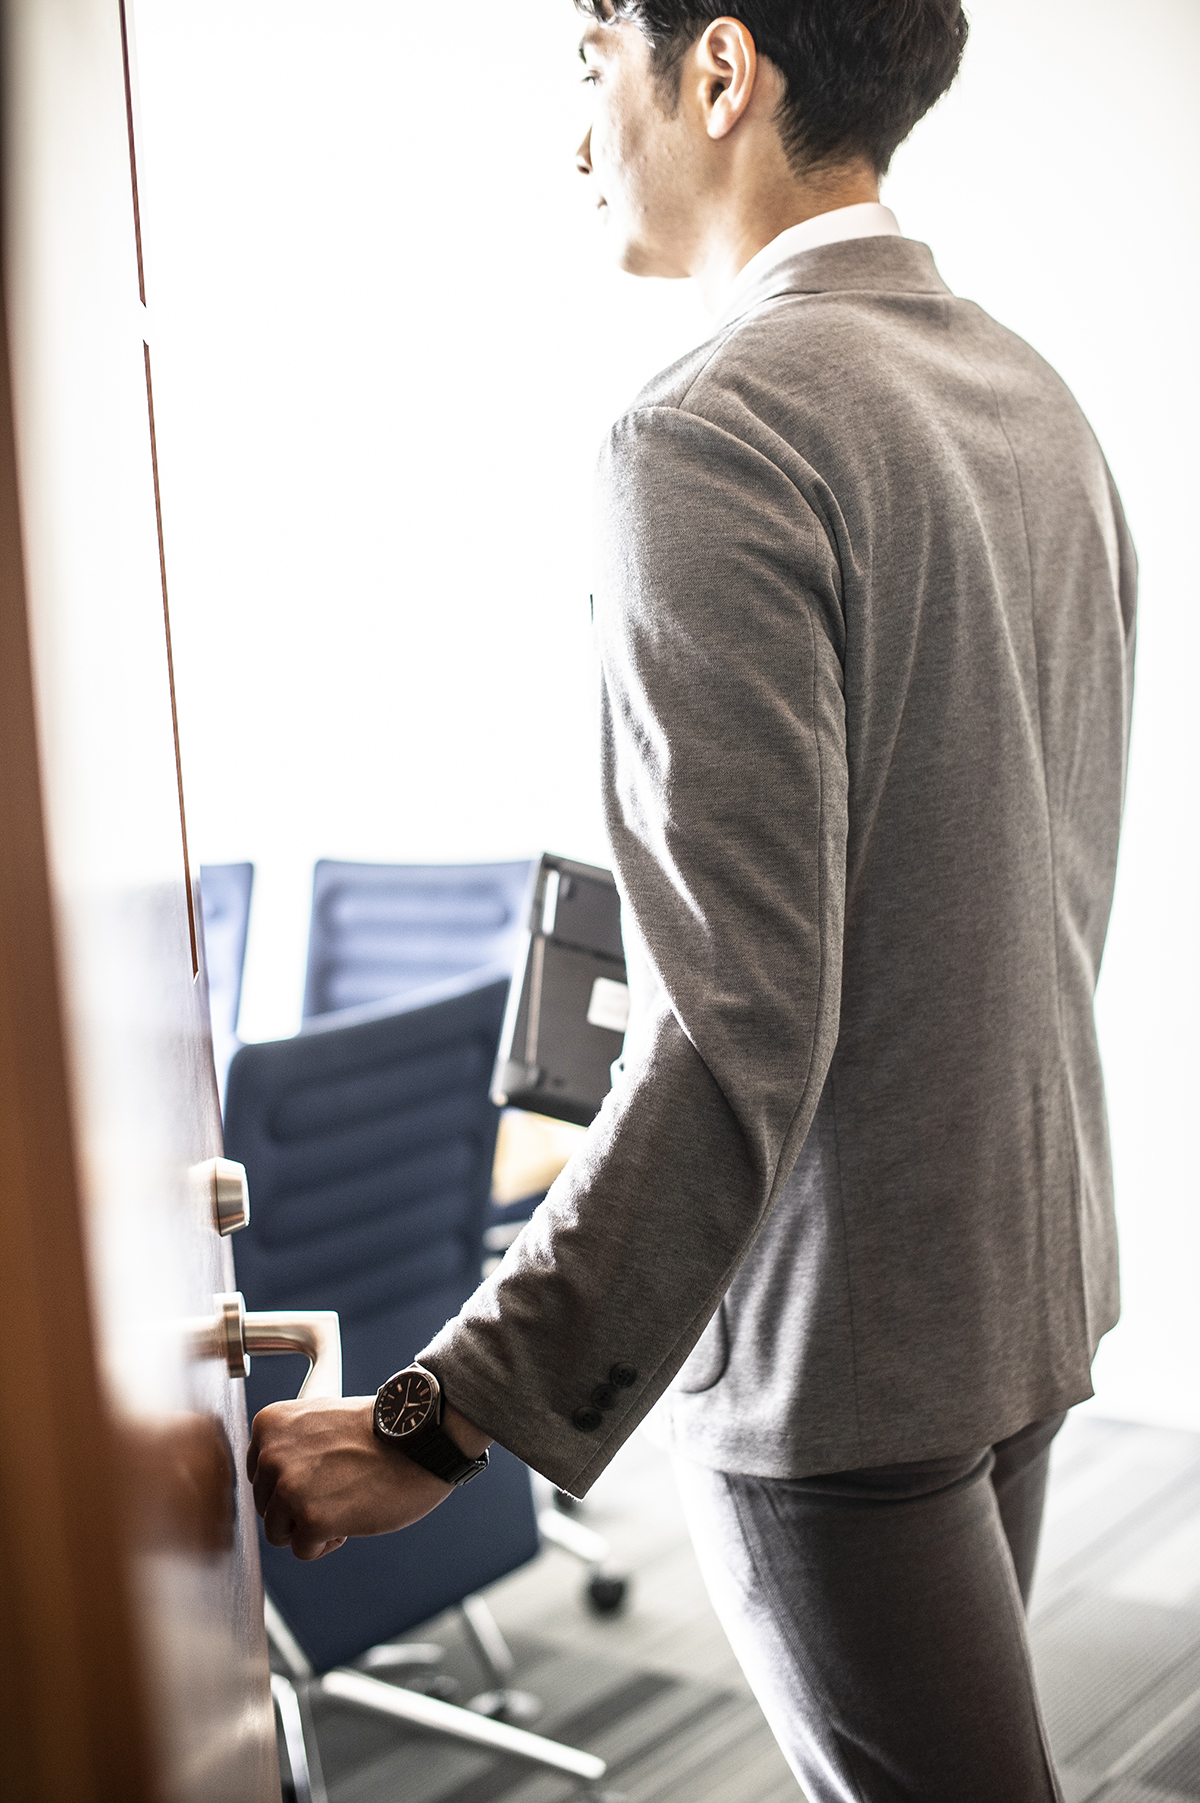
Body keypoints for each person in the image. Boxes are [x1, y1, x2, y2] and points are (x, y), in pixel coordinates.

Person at [247, 4, 1137, 1797]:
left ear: (720, 71)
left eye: (592, 58)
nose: (578, 135)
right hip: (1022, 1277)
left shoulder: (709, 434)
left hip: (840, 1348)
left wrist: (439, 1419)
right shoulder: (1032, 397)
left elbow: (734, 1027)